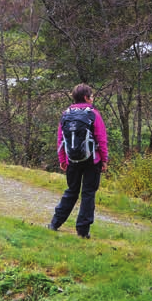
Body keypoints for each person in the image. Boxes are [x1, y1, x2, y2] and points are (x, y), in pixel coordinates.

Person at [48, 83, 108, 239]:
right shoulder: (93, 114)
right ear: (87, 97)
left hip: (72, 160)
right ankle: (82, 231)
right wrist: (104, 159)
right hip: (92, 160)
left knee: (71, 191)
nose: (93, 98)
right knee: (88, 193)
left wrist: (62, 159)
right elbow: (101, 139)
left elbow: (61, 139)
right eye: (92, 96)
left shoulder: (66, 114)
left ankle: (55, 223)